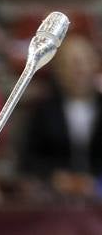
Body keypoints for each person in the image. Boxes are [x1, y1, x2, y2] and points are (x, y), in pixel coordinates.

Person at [18, 34, 102, 203]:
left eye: (83, 61)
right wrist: (56, 177)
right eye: (70, 63)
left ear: (95, 64)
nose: (78, 69)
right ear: (58, 69)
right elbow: (28, 160)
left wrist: (92, 182)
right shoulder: (42, 110)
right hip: (53, 197)